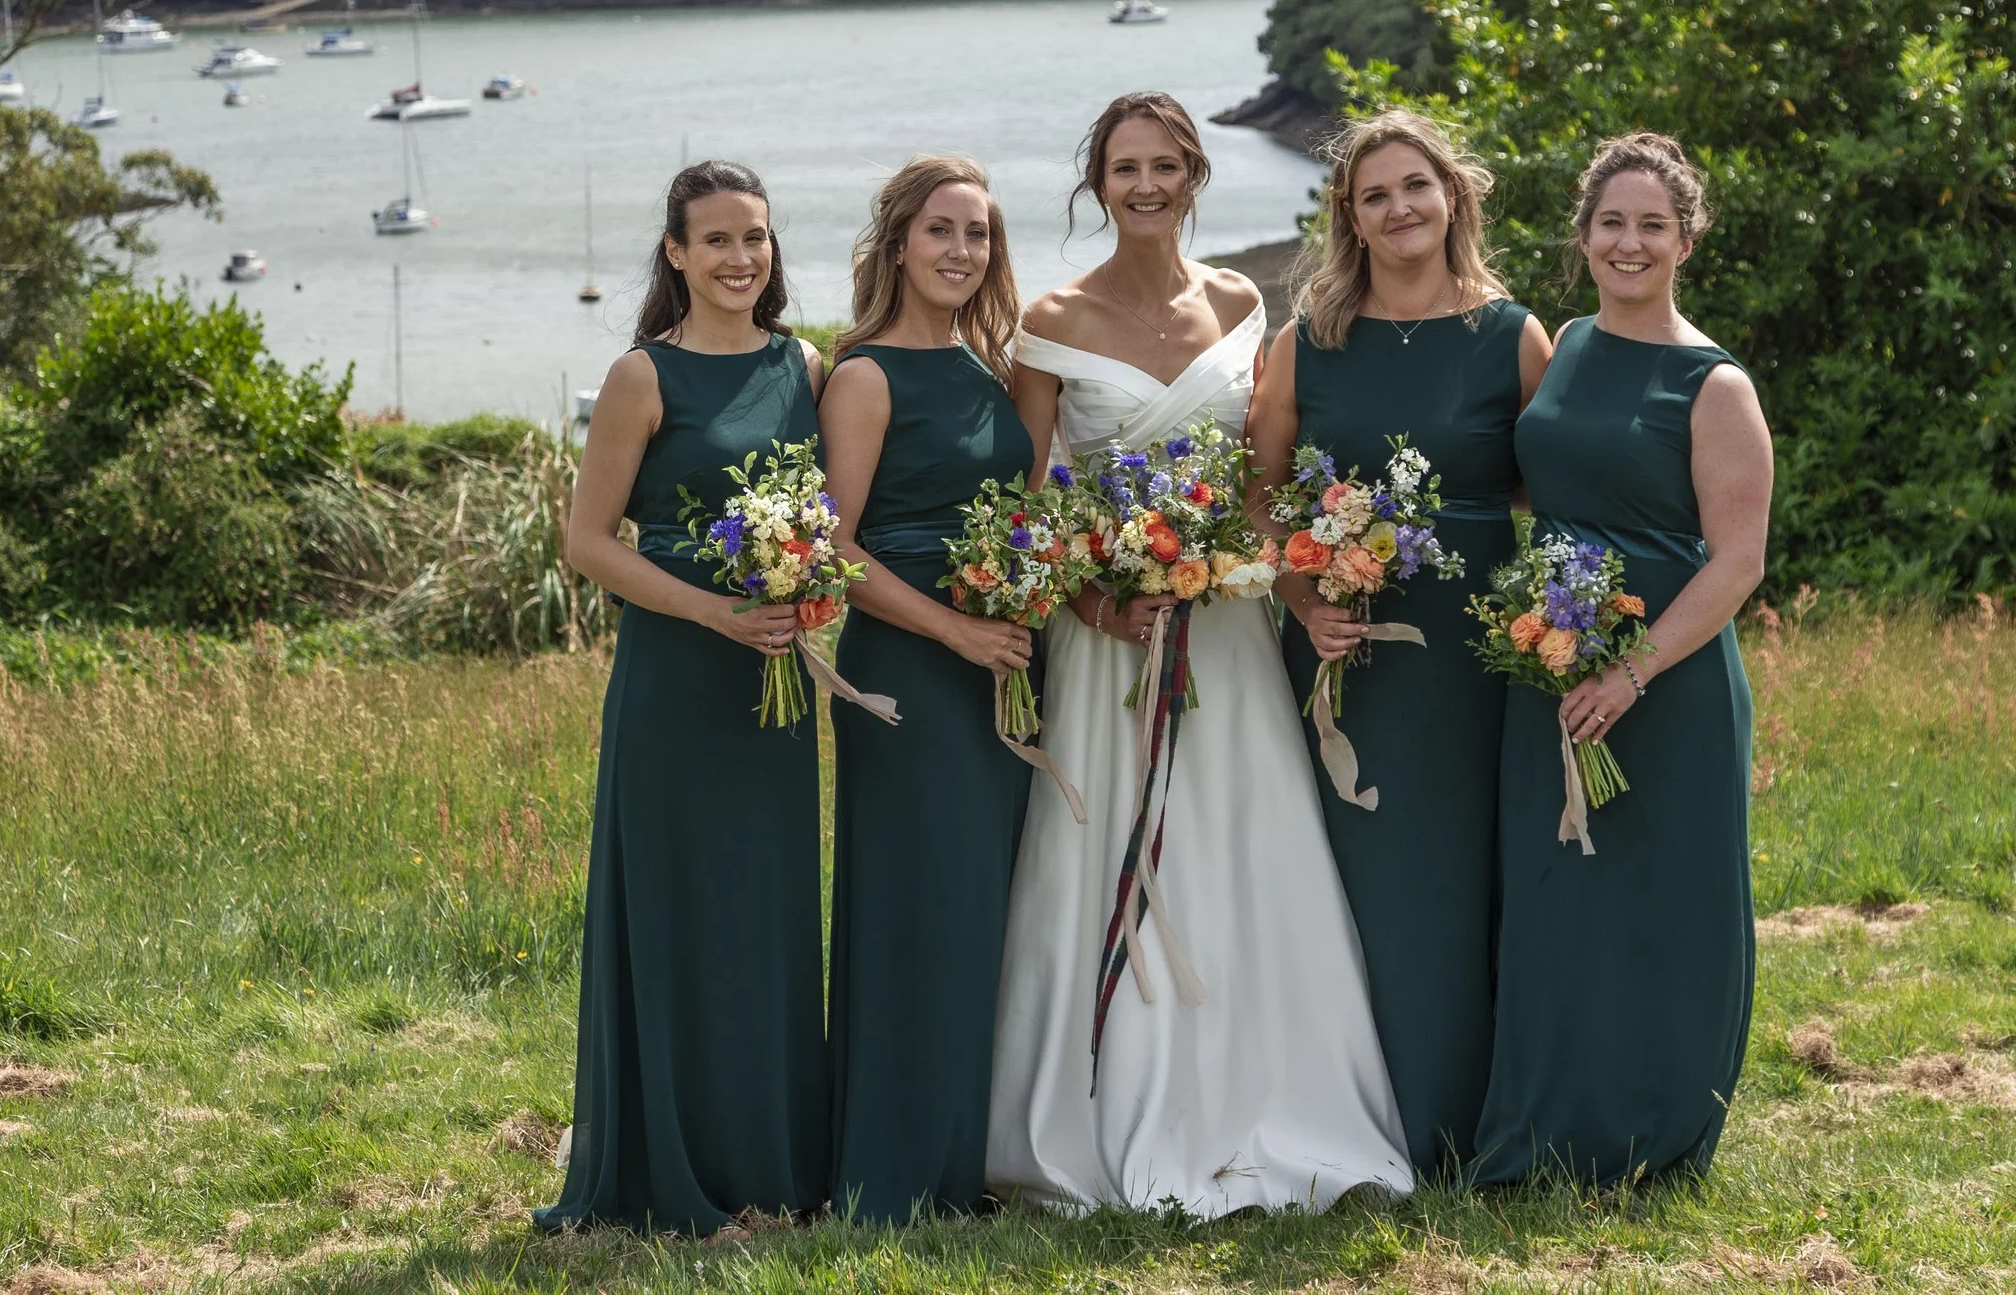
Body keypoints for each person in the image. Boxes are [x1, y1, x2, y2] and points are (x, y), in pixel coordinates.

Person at [985, 91, 1413, 1217]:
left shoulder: (1238, 300)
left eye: (1165, 165)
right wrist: (1094, 598)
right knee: (1106, 852)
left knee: (1243, 843)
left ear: (1193, 176)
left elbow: (1259, 487)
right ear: (1097, 183)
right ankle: (1103, 1106)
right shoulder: (1050, 318)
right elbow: (1023, 505)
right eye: (1125, 167)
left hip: (1224, 628)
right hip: (1108, 643)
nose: (1146, 185)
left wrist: (1268, 572)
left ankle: (1265, 1098)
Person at [1245, 109, 1551, 1180]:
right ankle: (1362, 1115)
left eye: (1415, 184)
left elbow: (1552, 483)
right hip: (1346, 651)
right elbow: (1260, 494)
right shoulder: (1307, 341)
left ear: (1452, 194)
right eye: (1373, 194)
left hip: (1477, 653)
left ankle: (1470, 1114)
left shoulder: (1514, 334)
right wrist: (1301, 593)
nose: (1398, 207)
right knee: (1359, 870)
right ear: (1350, 216)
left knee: (1472, 867)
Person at [1472, 132, 1773, 1189]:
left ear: (1687, 239)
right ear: (1584, 233)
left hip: (1664, 680)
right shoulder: (1565, 344)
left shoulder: (1714, 382)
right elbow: (1546, 479)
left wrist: (1631, 671)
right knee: (1558, 892)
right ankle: (1549, 1125)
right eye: (1611, 222)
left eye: (1653, 224)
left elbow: (1738, 561)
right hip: (1551, 663)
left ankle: (1654, 1127)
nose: (1629, 242)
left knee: (1658, 897)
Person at [537, 162, 828, 1233]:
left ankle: (774, 1160)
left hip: (774, 682)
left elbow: (827, 517)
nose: (739, 258)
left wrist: (809, 591)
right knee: (677, 910)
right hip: (674, 678)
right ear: (675, 251)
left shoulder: (805, 363)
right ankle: (668, 1160)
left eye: (754, 236)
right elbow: (587, 543)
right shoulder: (641, 375)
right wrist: (712, 612)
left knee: (767, 910)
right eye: (715, 240)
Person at [817, 156, 1037, 1223]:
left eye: (977, 233)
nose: (961, 250)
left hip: (999, 662)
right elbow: (835, 549)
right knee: (918, 909)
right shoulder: (864, 376)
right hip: (908, 673)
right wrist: (955, 628)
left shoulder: (989, 367)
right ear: (898, 242)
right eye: (941, 230)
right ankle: (895, 1167)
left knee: (981, 911)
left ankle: (967, 1154)